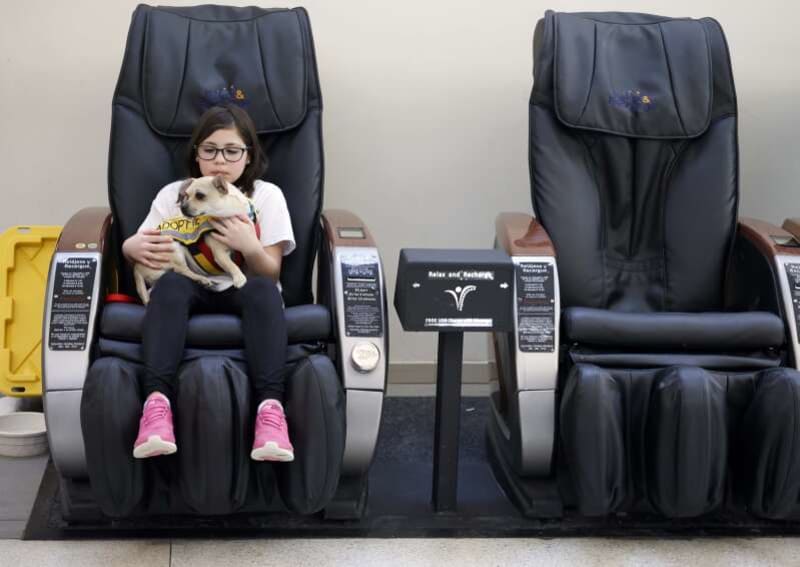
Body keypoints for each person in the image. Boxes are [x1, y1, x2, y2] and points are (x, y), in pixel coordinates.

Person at [122, 104, 295, 462]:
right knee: (168, 287)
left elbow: (271, 271)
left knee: (263, 290)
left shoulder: (265, 196)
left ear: (248, 156)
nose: (220, 161)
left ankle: (270, 411)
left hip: (245, 285)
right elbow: (147, 242)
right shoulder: (176, 194)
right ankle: (156, 408)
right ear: (196, 154)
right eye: (210, 150)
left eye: (232, 151)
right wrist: (128, 247)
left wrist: (248, 245)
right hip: (188, 282)